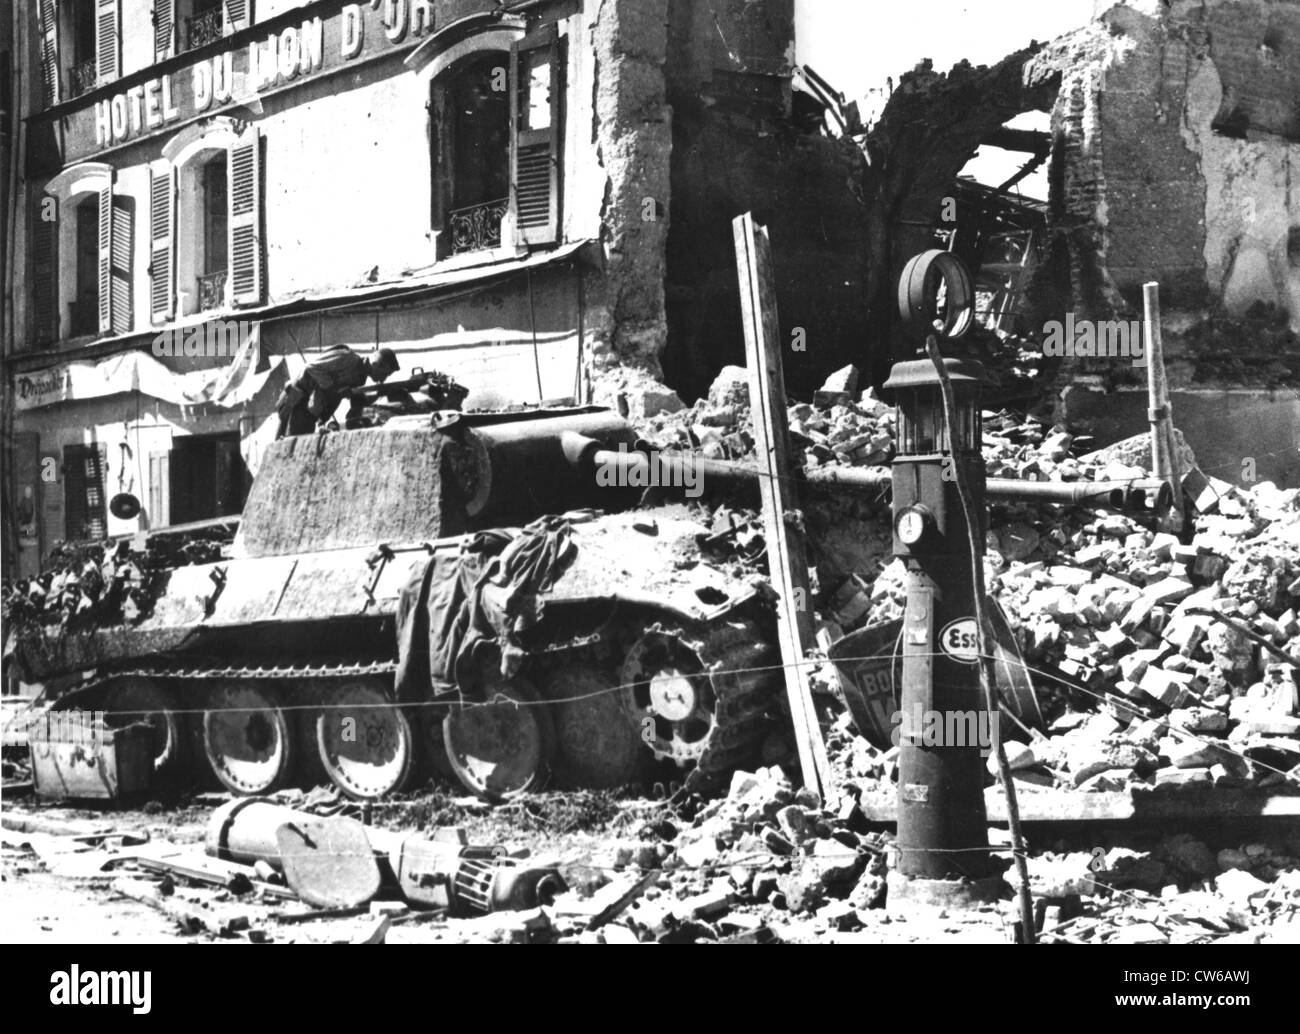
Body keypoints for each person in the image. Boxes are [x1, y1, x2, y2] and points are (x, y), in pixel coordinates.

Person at [275, 346, 400, 438]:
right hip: (299, 402)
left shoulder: (360, 378)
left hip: (311, 412)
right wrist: (333, 389)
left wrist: (379, 394)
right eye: (386, 373)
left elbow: (359, 403)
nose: (384, 379)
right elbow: (312, 368)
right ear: (377, 364)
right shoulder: (347, 358)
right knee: (292, 448)